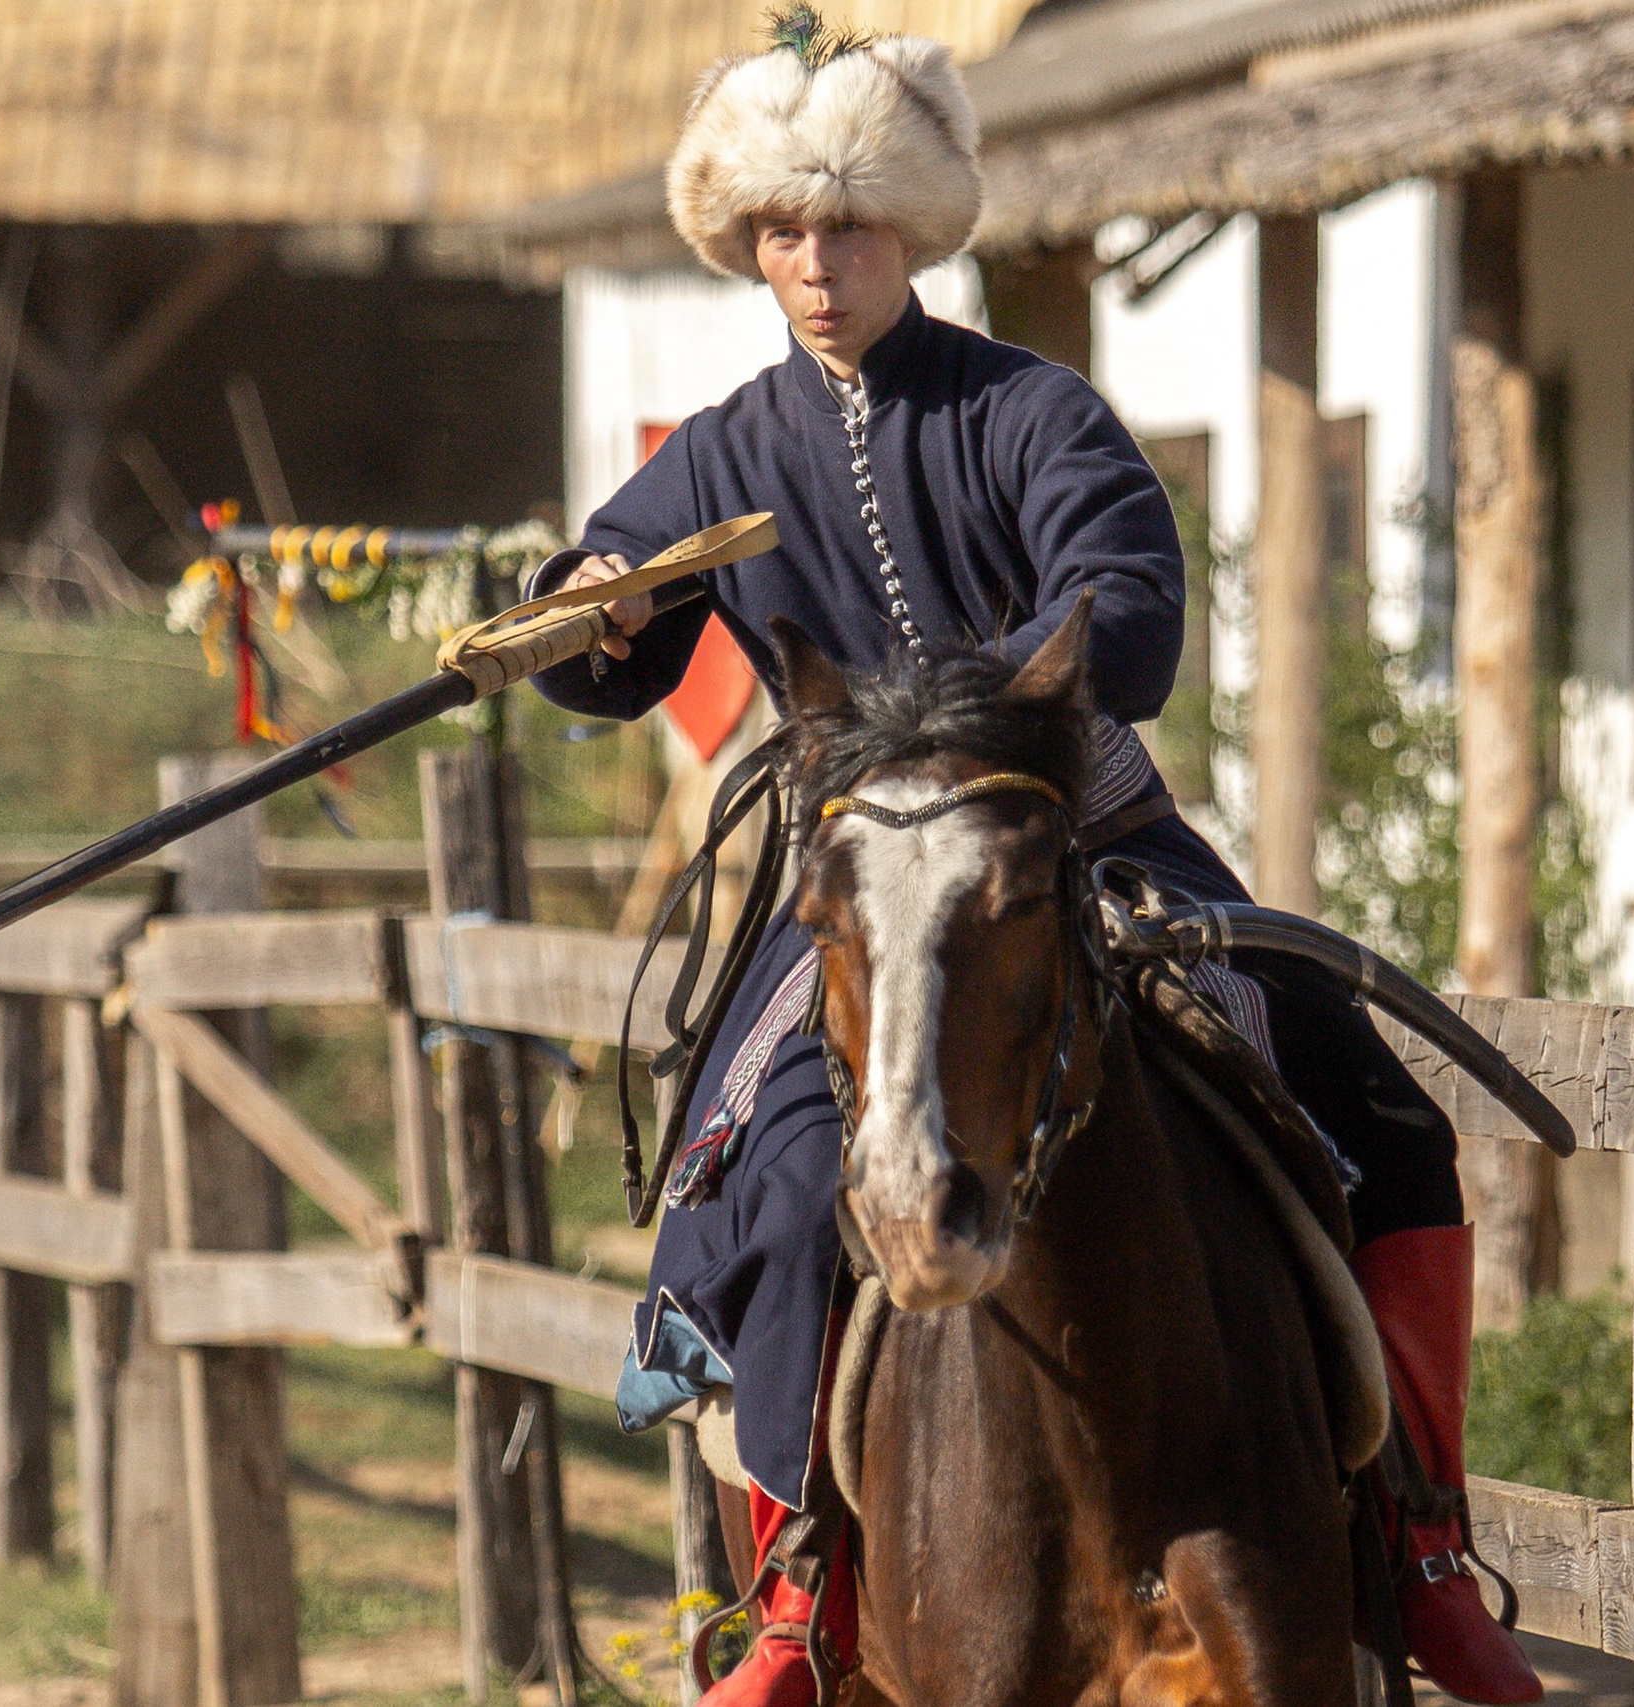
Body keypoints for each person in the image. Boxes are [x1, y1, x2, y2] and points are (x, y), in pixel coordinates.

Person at [528, 11, 1543, 1704]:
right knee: (764, 1173)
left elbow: (1130, 618)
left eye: (847, 224)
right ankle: (793, 1593)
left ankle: (1421, 1553)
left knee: (1371, 1104)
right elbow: (607, 652)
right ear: (748, 247)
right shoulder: (720, 453)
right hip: (856, 886)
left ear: (910, 229)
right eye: (783, 230)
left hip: (1096, 838)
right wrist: (584, 613)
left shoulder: (1030, 411)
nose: (817, 262)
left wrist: (981, 722)